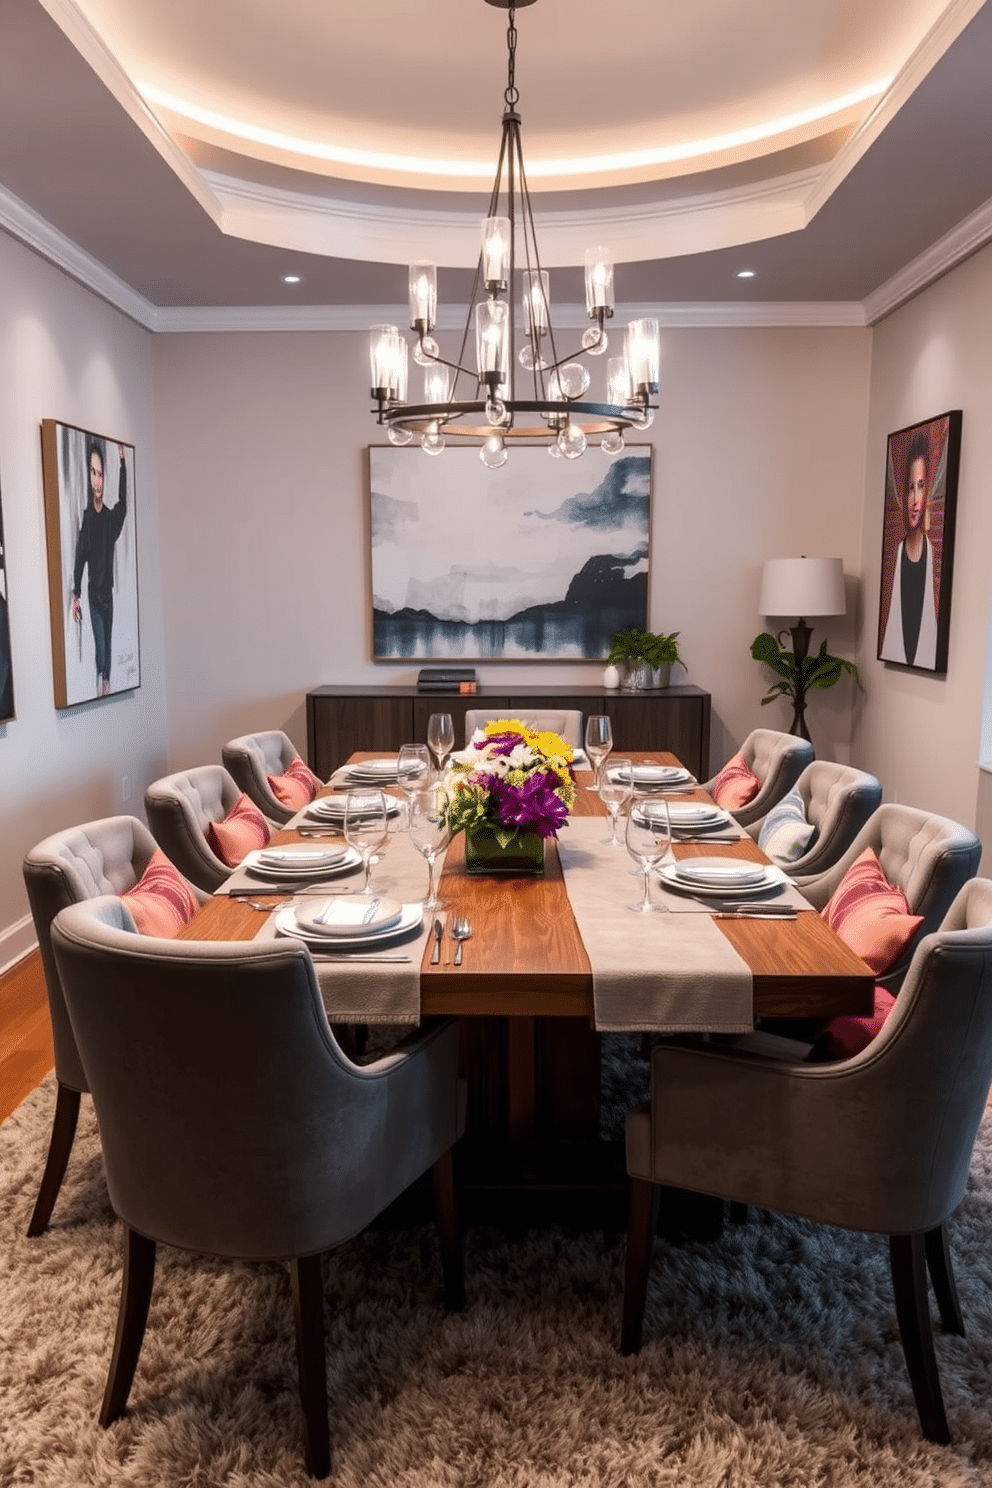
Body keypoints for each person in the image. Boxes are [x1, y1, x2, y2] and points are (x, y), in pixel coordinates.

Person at [70, 439, 128, 696]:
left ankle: (105, 686)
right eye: (93, 473)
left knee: (108, 653)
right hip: (94, 597)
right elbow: (80, 558)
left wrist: (123, 463)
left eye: (101, 473)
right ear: (89, 476)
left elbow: (123, 505)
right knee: (101, 651)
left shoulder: (109, 520)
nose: (97, 480)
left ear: (105, 477)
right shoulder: (88, 520)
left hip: (107, 598)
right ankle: (101, 686)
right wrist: (76, 596)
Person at [879, 429, 938, 668]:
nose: (915, 500)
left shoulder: (931, 553)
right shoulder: (898, 553)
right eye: (911, 487)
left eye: (921, 486)